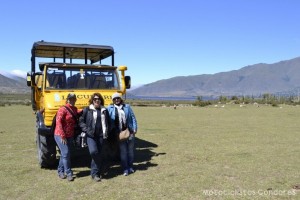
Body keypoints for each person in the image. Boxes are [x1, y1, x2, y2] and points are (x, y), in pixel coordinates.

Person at [79, 93, 109, 182]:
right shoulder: (87, 110)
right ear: (92, 100)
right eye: (95, 99)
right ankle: (102, 168)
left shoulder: (104, 110)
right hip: (91, 136)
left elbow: (108, 122)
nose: (97, 100)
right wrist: (87, 130)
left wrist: (107, 131)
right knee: (93, 152)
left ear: (101, 100)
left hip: (101, 136)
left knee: (99, 153)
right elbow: (81, 121)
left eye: (99, 99)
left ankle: (95, 173)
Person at [107, 92, 138, 176]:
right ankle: (125, 168)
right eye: (115, 99)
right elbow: (107, 119)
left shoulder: (127, 107)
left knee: (130, 151)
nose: (116, 100)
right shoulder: (109, 108)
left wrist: (135, 128)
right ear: (113, 100)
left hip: (130, 132)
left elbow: (133, 118)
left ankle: (130, 166)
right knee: (123, 152)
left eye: (118, 98)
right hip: (119, 134)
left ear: (120, 99)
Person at [54, 93, 78, 182]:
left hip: (70, 135)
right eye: (70, 99)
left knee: (64, 154)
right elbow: (58, 122)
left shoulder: (74, 109)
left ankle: (60, 171)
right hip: (60, 135)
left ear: (75, 100)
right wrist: (62, 136)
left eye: (73, 99)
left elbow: (78, 113)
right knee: (66, 153)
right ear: (67, 100)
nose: (72, 100)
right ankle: (68, 173)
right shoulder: (62, 109)